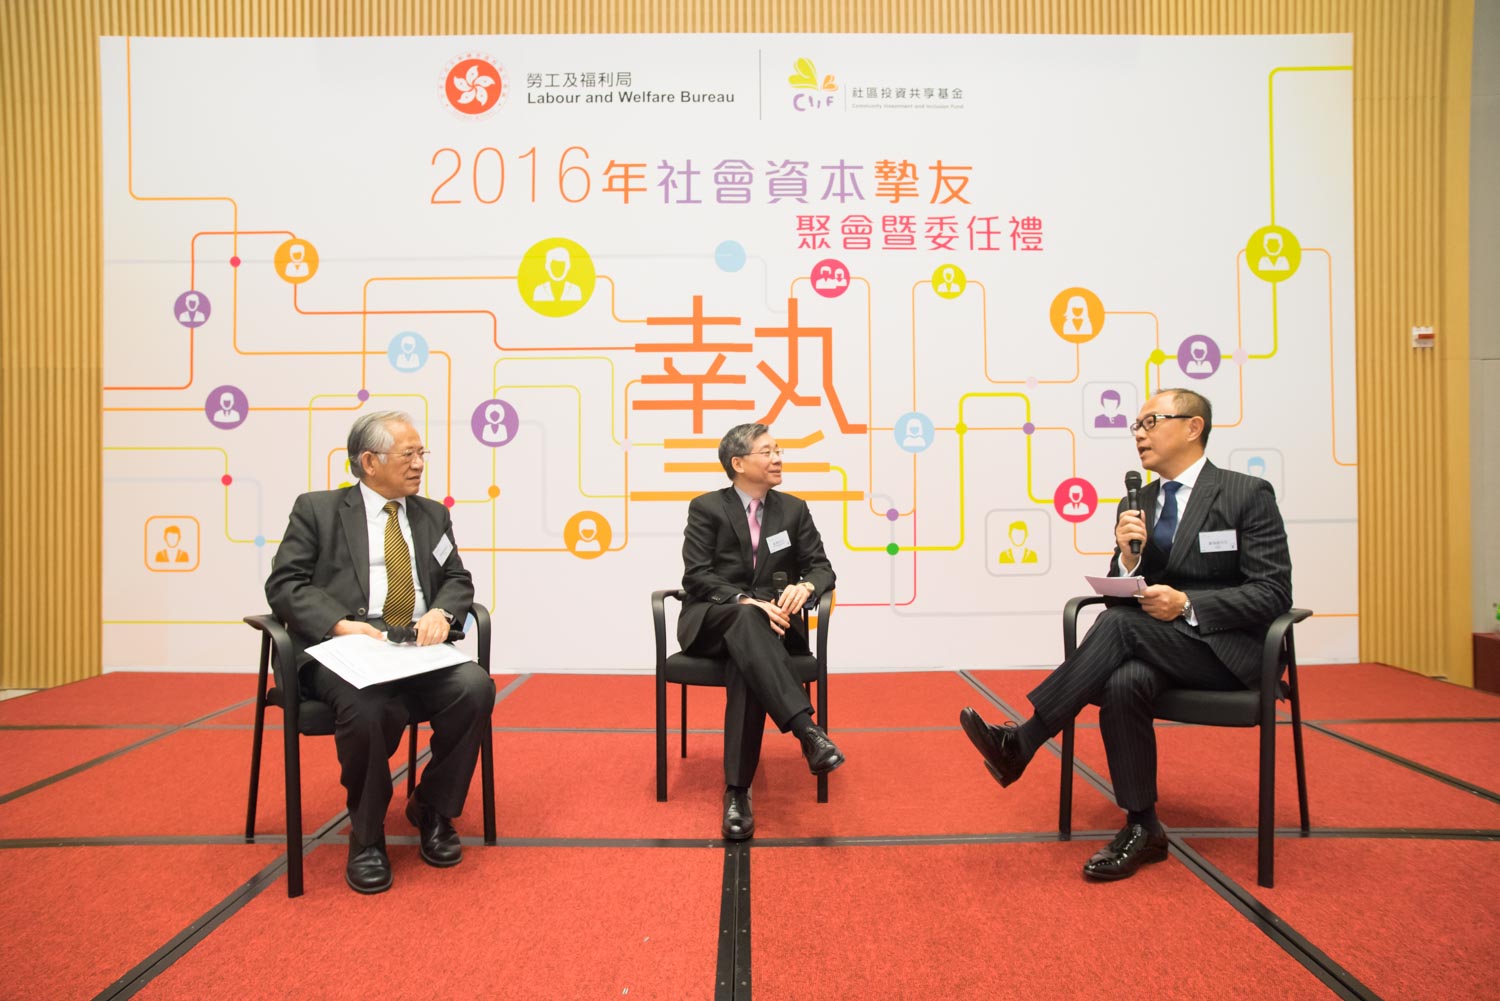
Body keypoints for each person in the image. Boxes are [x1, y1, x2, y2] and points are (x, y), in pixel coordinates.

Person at [960, 388, 1292, 881]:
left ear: (1193, 427)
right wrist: (1129, 561)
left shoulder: (1245, 494)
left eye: (1151, 422)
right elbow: (1125, 598)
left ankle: (1023, 741)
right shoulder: (1139, 502)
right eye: (1137, 425)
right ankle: (1143, 827)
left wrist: (1188, 603)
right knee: (1123, 681)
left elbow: (1273, 592)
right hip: (1157, 644)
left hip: (1227, 652)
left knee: (1117, 627)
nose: (1139, 434)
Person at [265, 411, 495, 894]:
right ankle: (367, 835)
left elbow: (456, 578)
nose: (419, 464)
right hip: (341, 647)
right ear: (369, 462)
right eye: (408, 454)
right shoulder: (317, 510)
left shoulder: (431, 515)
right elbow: (285, 585)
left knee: (474, 687)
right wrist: (340, 623)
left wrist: (442, 612)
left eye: (421, 453)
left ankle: (432, 807)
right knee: (369, 703)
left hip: (412, 647)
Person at [679, 422, 844, 841]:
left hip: (768, 632)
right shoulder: (707, 508)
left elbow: (821, 567)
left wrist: (808, 587)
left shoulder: (793, 510)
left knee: (746, 661)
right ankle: (808, 731)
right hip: (714, 620)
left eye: (779, 451)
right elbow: (697, 576)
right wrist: (743, 601)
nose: (778, 459)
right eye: (767, 452)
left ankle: (737, 793)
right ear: (738, 463)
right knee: (747, 620)